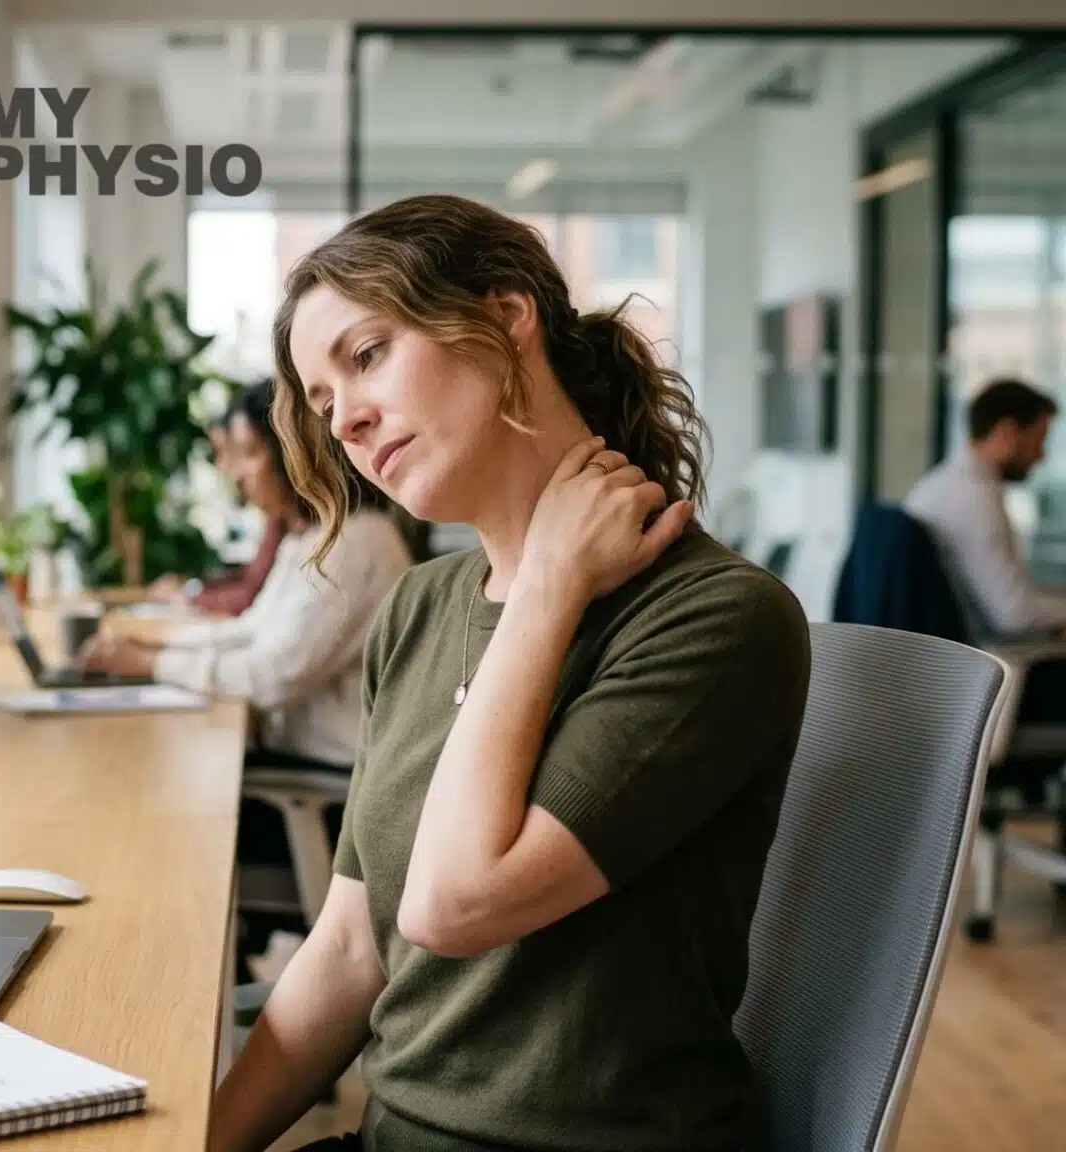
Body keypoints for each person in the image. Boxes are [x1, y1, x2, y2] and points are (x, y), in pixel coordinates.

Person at [208, 194, 811, 1152]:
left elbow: (454, 904)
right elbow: (352, 947)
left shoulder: (718, 618)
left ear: (506, 316)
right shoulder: (419, 607)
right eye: (322, 405)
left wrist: (546, 589)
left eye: (368, 356)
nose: (347, 421)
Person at [77, 381, 413, 768]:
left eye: (250, 453)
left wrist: (153, 663)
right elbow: (251, 630)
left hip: (325, 768)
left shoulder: (355, 543)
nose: (237, 473)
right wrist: (158, 647)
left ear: (293, 452)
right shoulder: (310, 539)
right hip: (295, 755)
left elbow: (272, 676)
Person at [904, 377, 1066, 638]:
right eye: (1038, 440)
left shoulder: (943, 482)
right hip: (981, 651)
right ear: (1008, 432)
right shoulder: (972, 497)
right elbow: (1014, 613)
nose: (1040, 455)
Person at [147, 388, 291, 617]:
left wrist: (191, 596)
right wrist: (192, 588)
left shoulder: (289, 518)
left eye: (237, 451)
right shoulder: (282, 519)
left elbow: (251, 592)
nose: (225, 467)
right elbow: (252, 577)